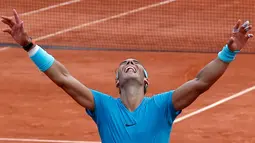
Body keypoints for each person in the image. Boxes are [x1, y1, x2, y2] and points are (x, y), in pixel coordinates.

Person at [1, 9, 253, 143]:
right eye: (125, 64)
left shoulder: (163, 105)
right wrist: (28, 45)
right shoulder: (102, 106)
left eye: (135, 63)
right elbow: (64, 78)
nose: (130, 63)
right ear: (117, 82)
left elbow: (201, 82)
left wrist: (229, 51)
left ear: (146, 81)